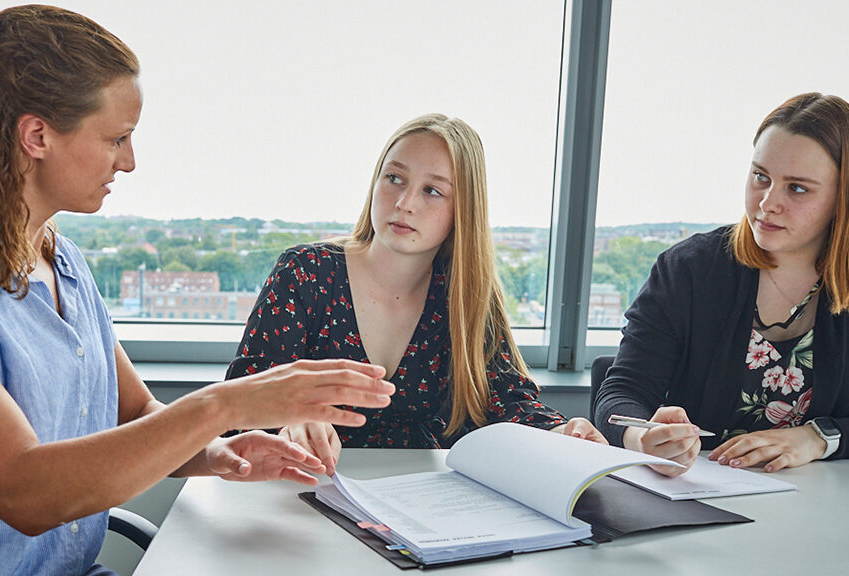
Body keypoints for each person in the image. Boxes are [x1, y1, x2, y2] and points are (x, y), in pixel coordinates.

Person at [0, 5, 395, 575]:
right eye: (116, 138)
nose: (129, 161)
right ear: (36, 135)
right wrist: (226, 405)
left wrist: (218, 454)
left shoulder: (61, 261)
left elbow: (132, 410)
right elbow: (24, 491)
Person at [226, 113, 605, 473]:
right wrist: (290, 420)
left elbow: (508, 401)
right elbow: (239, 404)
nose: (406, 203)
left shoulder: (467, 296)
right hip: (303, 493)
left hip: (425, 506)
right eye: (394, 178)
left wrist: (564, 435)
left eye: (432, 191)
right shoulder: (304, 273)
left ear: (463, 210)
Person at [594, 92, 849, 476]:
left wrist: (818, 438)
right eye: (761, 177)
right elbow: (620, 394)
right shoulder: (688, 270)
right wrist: (643, 439)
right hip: (701, 498)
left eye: (798, 188)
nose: (767, 203)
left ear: (844, 197)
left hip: (836, 510)